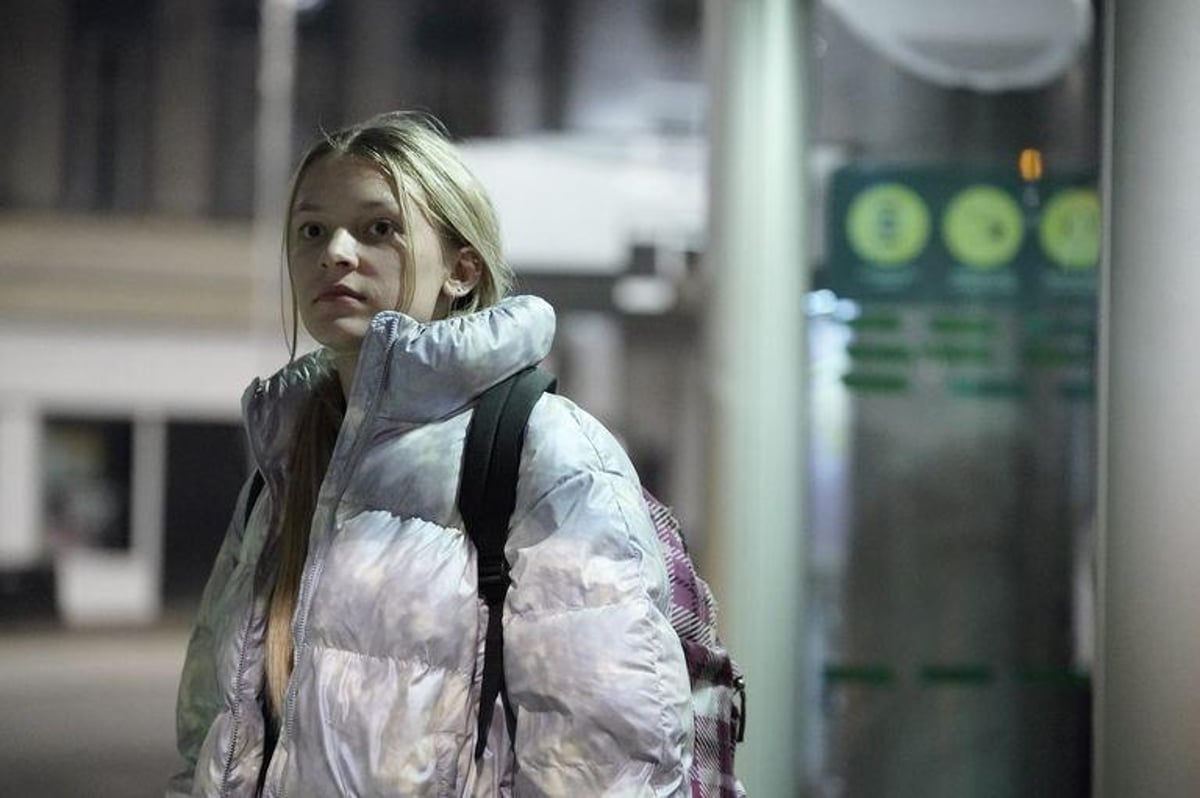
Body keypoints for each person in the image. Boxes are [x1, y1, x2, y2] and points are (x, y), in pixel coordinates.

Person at [167, 111, 694, 797]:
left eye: (378, 228)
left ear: (461, 269)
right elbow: (211, 732)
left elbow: (609, 762)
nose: (336, 253)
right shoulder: (285, 465)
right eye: (312, 230)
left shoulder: (545, 450)